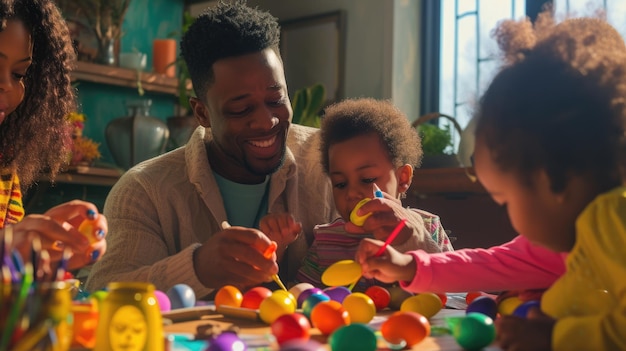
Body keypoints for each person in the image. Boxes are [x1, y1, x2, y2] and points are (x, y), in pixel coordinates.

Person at [359, 14, 626, 350]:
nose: (508, 217)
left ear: (552, 182)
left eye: (504, 200)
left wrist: (555, 337)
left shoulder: (613, 221)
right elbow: (490, 263)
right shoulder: (575, 239)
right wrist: (409, 266)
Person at [85, 1, 337, 298]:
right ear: (202, 114)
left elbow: (397, 226)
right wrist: (198, 268)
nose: (266, 121)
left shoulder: (330, 161)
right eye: (241, 109)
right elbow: (103, 294)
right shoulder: (145, 191)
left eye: (275, 99)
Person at [290, 98, 453, 289]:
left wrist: (413, 240)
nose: (351, 193)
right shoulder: (326, 241)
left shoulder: (429, 228)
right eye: (340, 184)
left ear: (402, 178)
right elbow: (300, 296)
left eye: (367, 179)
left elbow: (454, 287)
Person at [0, 0, 107, 271]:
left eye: (18, 74)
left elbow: (8, 276)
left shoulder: (4, 166)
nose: (7, 87)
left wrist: (45, 248)